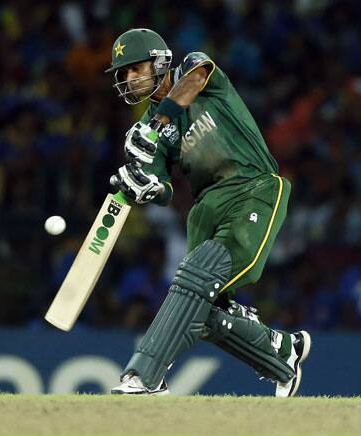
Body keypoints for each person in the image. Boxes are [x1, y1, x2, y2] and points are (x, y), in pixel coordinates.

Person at [106, 28, 310, 397]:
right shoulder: (147, 131)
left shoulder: (193, 70)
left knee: (198, 282)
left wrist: (156, 124)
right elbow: (163, 188)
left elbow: (196, 79)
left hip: (253, 189)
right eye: (124, 75)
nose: (130, 80)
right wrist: (143, 185)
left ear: (159, 60)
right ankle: (282, 353)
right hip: (204, 211)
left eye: (135, 69)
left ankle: (145, 376)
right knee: (201, 310)